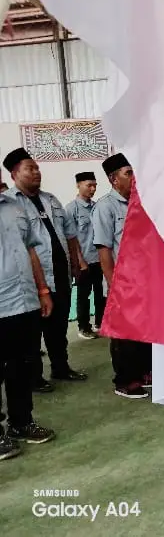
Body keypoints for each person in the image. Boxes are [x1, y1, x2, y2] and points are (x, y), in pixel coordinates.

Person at [3, 148, 87, 392]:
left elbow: (70, 234)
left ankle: (61, 367)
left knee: (59, 326)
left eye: (37, 168)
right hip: (32, 279)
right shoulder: (9, 203)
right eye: (30, 168)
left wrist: (77, 262)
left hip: (60, 274)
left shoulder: (51, 199)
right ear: (14, 174)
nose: (36, 172)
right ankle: (34, 377)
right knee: (32, 332)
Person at [0, 187, 56, 460]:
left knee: (22, 365)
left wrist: (42, 290)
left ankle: (21, 422)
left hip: (25, 300)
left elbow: (31, 250)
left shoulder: (15, 207)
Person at [92, 153, 152, 399]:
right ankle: (125, 381)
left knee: (145, 328)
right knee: (124, 335)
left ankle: (144, 371)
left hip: (145, 280)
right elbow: (104, 250)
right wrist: (113, 285)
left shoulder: (140, 203)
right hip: (123, 284)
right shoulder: (105, 207)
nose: (134, 177)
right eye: (129, 173)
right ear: (114, 179)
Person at [66, 171, 105, 340]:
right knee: (84, 295)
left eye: (95, 185)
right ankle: (83, 327)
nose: (93, 189)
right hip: (84, 261)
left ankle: (101, 323)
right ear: (78, 185)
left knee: (101, 292)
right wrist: (80, 261)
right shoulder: (71, 209)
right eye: (89, 185)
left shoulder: (97, 207)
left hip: (100, 258)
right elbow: (71, 239)